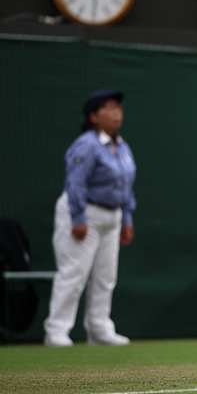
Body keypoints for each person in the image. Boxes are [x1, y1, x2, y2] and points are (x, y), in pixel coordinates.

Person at [44, 90, 136, 347]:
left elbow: (126, 186)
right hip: (85, 212)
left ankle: (99, 329)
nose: (117, 113)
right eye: (109, 108)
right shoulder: (86, 144)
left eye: (119, 108)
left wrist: (126, 219)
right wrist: (77, 217)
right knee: (74, 273)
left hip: (113, 215)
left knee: (106, 277)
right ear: (94, 116)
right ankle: (57, 331)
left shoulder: (123, 146)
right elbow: (75, 182)